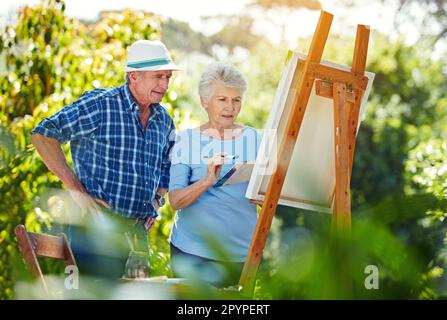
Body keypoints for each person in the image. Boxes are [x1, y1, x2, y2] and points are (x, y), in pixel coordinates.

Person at [30, 40, 180, 282]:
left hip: (137, 238)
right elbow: (43, 134)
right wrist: (76, 190)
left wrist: (156, 199)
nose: (165, 85)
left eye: (168, 77)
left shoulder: (163, 119)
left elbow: (167, 167)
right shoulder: (101, 105)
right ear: (134, 76)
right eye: (158, 77)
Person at [168, 63, 261, 287]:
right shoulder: (187, 140)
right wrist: (208, 180)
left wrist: (266, 196)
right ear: (204, 102)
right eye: (222, 99)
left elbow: (270, 194)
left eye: (236, 100)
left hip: (241, 256)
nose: (230, 107)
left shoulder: (255, 139)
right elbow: (175, 200)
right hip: (192, 253)